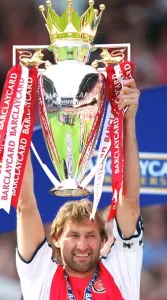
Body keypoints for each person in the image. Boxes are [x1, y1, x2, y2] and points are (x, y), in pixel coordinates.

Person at [16, 78, 143, 300]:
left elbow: (129, 200)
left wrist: (127, 120)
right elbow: (25, 206)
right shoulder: (40, 276)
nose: (82, 245)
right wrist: (19, 117)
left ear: (103, 240)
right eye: (73, 235)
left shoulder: (121, 271)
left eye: (91, 235)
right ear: (55, 238)